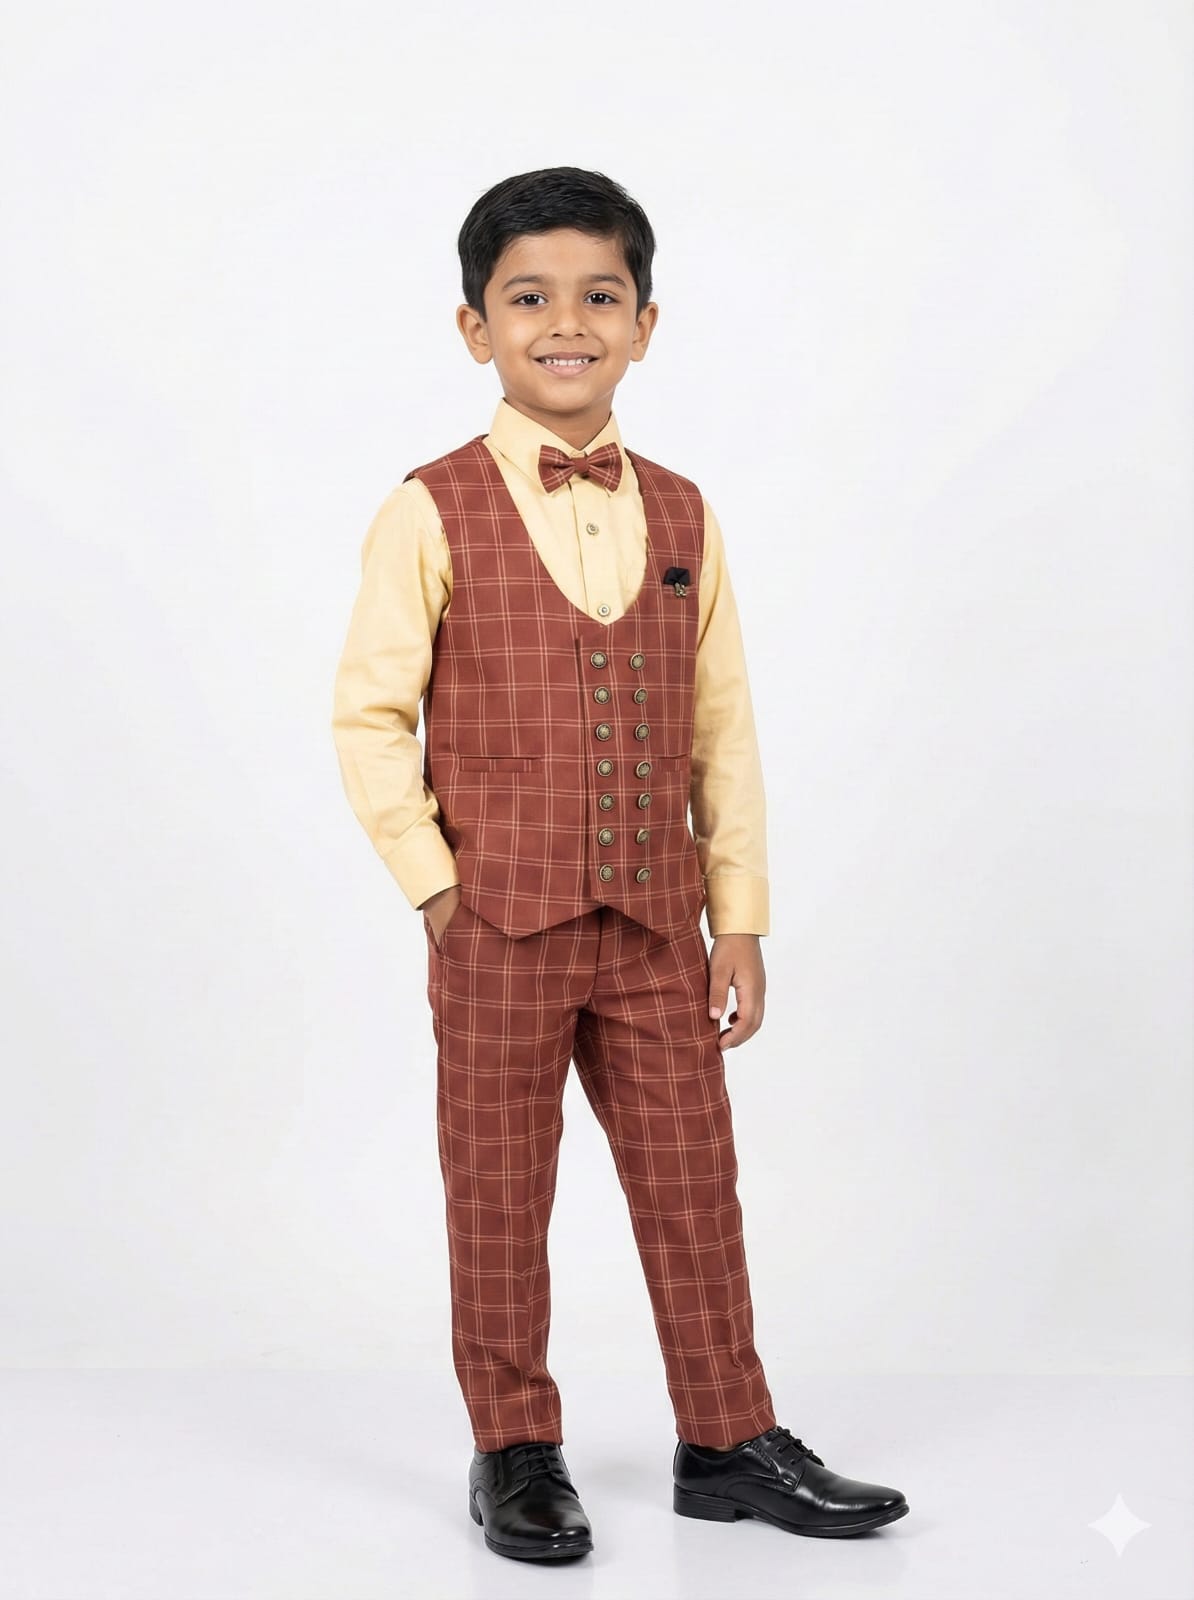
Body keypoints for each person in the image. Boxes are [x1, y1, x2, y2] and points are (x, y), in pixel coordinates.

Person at [331, 165, 908, 1563]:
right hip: (501, 926)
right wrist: (438, 887)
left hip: (656, 922)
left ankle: (727, 1437)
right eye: (528, 298)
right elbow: (367, 712)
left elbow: (722, 725)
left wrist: (742, 917)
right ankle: (513, 1449)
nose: (565, 323)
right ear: (476, 327)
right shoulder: (429, 507)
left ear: (645, 323)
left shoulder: (687, 513)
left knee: (692, 1185)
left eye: (599, 296)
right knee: (498, 1192)